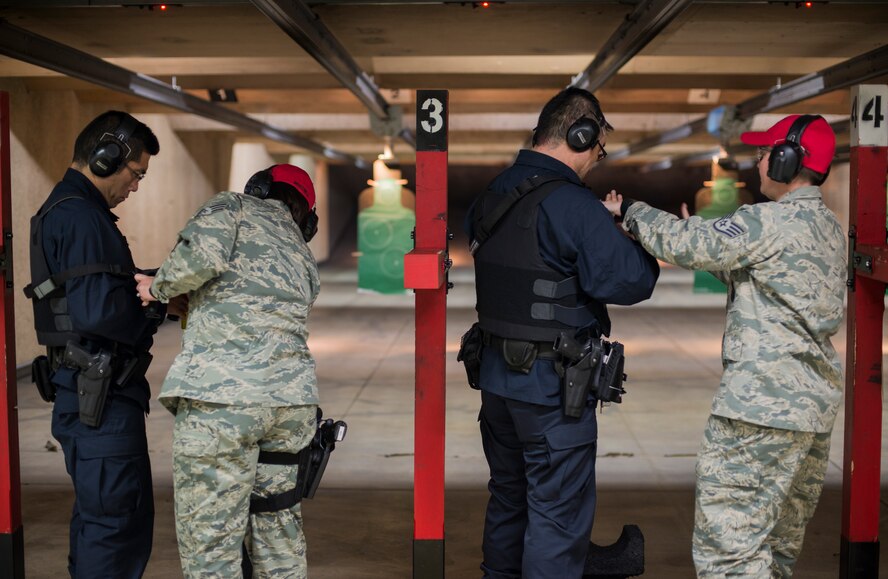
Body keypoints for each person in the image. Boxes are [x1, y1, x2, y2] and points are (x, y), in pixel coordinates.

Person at [603, 114, 845, 577]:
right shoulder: (827, 227)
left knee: (728, 553)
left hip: (758, 410)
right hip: (810, 411)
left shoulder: (766, 220)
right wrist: (710, 245)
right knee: (774, 551)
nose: (757, 162)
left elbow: (683, 242)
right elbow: (765, 277)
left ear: (787, 160)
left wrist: (631, 210)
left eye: (765, 153)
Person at [463, 87, 660, 578]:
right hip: (552, 390)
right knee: (557, 516)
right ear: (582, 134)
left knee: (509, 498)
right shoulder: (573, 204)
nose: (597, 160)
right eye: (599, 149)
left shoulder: (493, 193)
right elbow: (632, 280)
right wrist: (624, 234)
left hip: (496, 381)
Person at [135, 164, 321, 578]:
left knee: (212, 537)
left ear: (258, 188)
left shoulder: (233, 206)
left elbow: (199, 258)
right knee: (278, 526)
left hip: (224, 401)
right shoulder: (301, 249)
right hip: (292, 406)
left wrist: (157, 288)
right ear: (308, 219)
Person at [24, 110, 165, 578]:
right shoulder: (83, 217)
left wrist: (143, 282)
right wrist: (156, 307)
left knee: (99, 519)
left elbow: (93, 288)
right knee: (115, 524)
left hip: (87, 391)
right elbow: (101, 313)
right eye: (136, 173)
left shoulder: (67, 209)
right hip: (101, 398)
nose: (136, 186)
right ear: (106, 159)